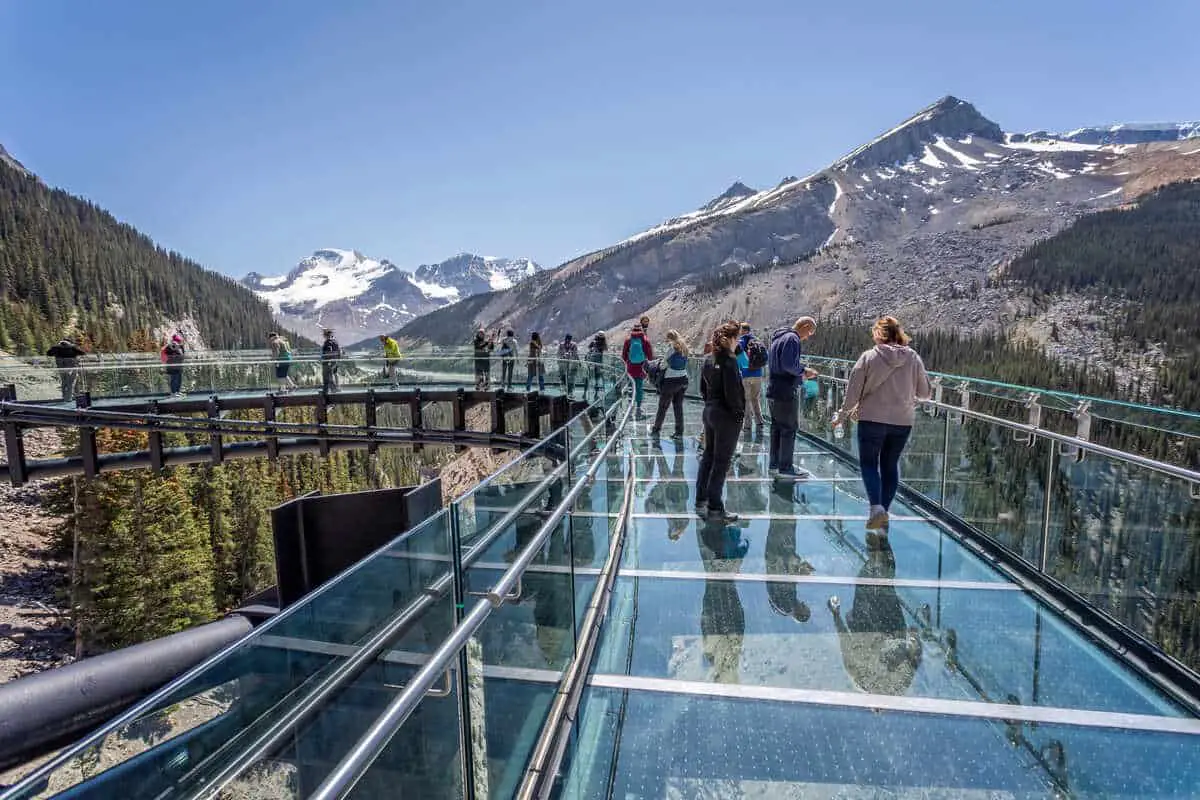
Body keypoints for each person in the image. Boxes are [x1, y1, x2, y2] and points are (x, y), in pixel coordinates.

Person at [833, 315, 932, 531]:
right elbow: (925, 393)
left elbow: (853, 394)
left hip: (871, 419)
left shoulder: (869, 357)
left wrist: (841, 416)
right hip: (902, 421)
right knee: (890, 464)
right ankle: (883, 511)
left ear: (878, 335)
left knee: (869, 463)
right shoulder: (913, 357)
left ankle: (876, 508)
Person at [695, 322, 744, 523]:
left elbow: (702, 388)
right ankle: (715, 507)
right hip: (725, 417)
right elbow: (733, 393)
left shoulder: (709, 359)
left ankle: (701, 499)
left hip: (709, 412)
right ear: (731, 339)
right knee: (722, 461)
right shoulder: (729, 361)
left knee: (708, 455)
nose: (738, 342)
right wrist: (738, 414)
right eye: (737, 338)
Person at [766, 316, 818, 480]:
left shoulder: (778, 338)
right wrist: (804, 372)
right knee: (789, 428)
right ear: (805, 325)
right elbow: (789, 365)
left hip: (773, 389)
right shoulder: (792, 338)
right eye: (809, 332)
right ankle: (786, 467)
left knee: (777, 428)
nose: (808, 336)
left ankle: (775, 463)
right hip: (785, 391)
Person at [650, 329, 690, 440]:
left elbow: (663, 366)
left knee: (663, 406)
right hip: (683, 379)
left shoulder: (672, 349)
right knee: (678, 406)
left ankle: (656, 429)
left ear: (669, 338)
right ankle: (679, 432)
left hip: (671, 380)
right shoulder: (685, 348)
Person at [738, 322, 768, 436]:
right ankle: (760, 422)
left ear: (743, 330)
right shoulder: (757, 341)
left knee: (746, 400)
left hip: (746, 375)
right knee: (755, 399)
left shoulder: (741, 342)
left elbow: (737, 357)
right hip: (758, 374)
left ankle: (747, 425)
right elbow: (766, 357)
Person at [621, 322, 655, 418]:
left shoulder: (628, 340)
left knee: (631, 387)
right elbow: (650, 356)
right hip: (641, 368)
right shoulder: (645, 340)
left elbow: (623, 355)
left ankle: (630, 409)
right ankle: (638, 409)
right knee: (639, 388)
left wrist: (626, 363)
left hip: (630, 368)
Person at [585, 331, 607, 399]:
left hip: (592, 361)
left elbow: (589, 347)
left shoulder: (594, 342)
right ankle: (596, 392)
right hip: (599, 362)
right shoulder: (602, 343)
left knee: (592, 376)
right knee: (597, 376)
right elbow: (605, 348)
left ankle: (586, 392)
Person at [320, 328, 341, 393]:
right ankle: (336, 387)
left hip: (328, 361)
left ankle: (330, 389)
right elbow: (339, 351)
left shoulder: (327, 342)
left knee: (327, 376)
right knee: (333, 374)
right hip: (335, 360)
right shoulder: (335, 341)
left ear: (326, 335)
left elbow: (329, 351)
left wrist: (325, 357)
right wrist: (338, 359)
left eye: (324, 335)